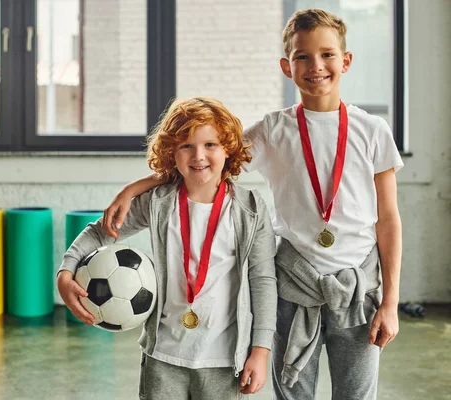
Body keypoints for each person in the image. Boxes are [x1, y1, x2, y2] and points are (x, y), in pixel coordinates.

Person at [101, 9, 403, 400]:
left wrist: (391, 302)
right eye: (302, 56)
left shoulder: (372, 131)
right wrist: (136, 187)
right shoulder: (275, 129)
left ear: (345, 61)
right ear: (286, 66)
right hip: (294, 290)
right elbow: (206, 163)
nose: (316, 66)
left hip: (358, 293)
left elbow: (389, 221)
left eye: (327, 54)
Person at [57, 97, 277, 399]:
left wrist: (261, 351)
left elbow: (263, 280)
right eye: (186, 145)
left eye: (210, 144)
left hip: (224, 361)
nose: (199, 155)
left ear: (228, 148)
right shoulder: (159, 202)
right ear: (172, 153)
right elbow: (100, 232)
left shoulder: (250, 210)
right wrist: (66, 271)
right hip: (164, 356)